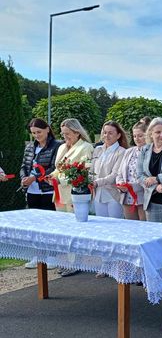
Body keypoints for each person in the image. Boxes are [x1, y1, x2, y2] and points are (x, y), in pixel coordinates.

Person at [47, 118, 94, 277]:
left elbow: (84, 172)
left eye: (67, 134)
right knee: (63, 230)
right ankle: (65, 261)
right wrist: (51, 176)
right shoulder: (61, 148)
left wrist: (61, 179)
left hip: (76, 193)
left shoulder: (86, 147)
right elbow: (58, 169)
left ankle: (76, 262)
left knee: (75, 230)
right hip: (59, 193)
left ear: (77, 132)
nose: (64, 136)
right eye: (63, 134)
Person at [19, 118, 62, 269]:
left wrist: (35, 177)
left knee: (50, 224)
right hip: (32, 191)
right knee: (35, 225)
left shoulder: (57, 146)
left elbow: (54, 167)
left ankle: (52, 257)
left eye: (39, 132)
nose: (36, 135)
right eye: (33, 133)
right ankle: (37, 256)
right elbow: (24, 165)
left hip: (48, 190)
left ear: (47, 130)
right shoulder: (30, 147)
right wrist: (24, 177)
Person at [91, 121, 128, 219]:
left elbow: (115, 174)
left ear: (118, 135)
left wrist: (97, 182)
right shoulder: (97, 150)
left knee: (115, 227)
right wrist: (89, 180)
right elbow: (91, 170)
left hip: (113, 195)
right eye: (105, 132)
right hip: (98, 194)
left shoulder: (122, 152)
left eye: (110, 133)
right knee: (101, 227)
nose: (106, 135)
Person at [116, 121, 148, 221]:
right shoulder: (129, 151)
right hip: (127, 197)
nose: (136, 139)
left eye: (140, 136)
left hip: (143, 197)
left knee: (144, 229)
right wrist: (120, 183)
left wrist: (133, 187)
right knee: (130, 229)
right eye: (134, 136)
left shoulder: (151, 152)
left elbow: (151, 176)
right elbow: (120, 173)